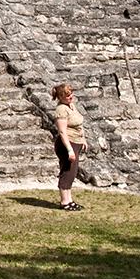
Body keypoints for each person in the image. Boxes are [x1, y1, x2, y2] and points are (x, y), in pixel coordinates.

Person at [52, 83, 86, 211]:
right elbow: (62, 132)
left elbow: (79, 124)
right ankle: (64, 201)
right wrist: (70, 150)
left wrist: (83, 140)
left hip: (76, 141)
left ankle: (69, 199)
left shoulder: (71, 106)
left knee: (72, 172)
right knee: (67, 171)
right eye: (67, 95)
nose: (70, 96)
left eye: (71, 93)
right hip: (67, 144)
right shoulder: (61, 109)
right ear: (60, 97)